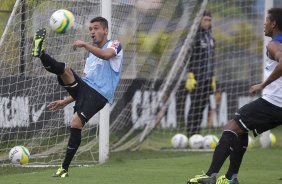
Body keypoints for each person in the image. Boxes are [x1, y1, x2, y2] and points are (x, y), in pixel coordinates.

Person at [187, 8, 282, 184]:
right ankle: (231, 177)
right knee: (241, 128)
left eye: (267, 20)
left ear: (274, 23)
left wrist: (263, 84)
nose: (264, 24)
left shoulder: (274, 44)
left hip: (274, 102)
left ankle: (210, 176)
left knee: (231, 126)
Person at [32, 16, 123, 177]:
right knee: (65, 69)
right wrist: (65, 101)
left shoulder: (115, 44)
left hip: (99, 95)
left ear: (105, 30)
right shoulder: (90, 57)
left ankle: (64, 168)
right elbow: (84, 85)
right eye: (90, 29)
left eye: (96, 28)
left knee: (75, 123)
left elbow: (106, 55)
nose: (92, 32)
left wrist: (84, 44)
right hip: (86, 90)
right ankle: (40, 53)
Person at [186, 10, 216, 137]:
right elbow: (187, 56)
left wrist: (213, 77)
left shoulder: (211, 38)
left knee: (203, 106)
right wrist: (190, 74)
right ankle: (190, 134)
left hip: (208, 78)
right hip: (196, 77)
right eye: (205, 20)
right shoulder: (194, 37)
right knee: (195, 105)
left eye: (209, 20)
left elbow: (212, 58)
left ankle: (197, 133)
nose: (208, 22)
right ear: (199, 21)